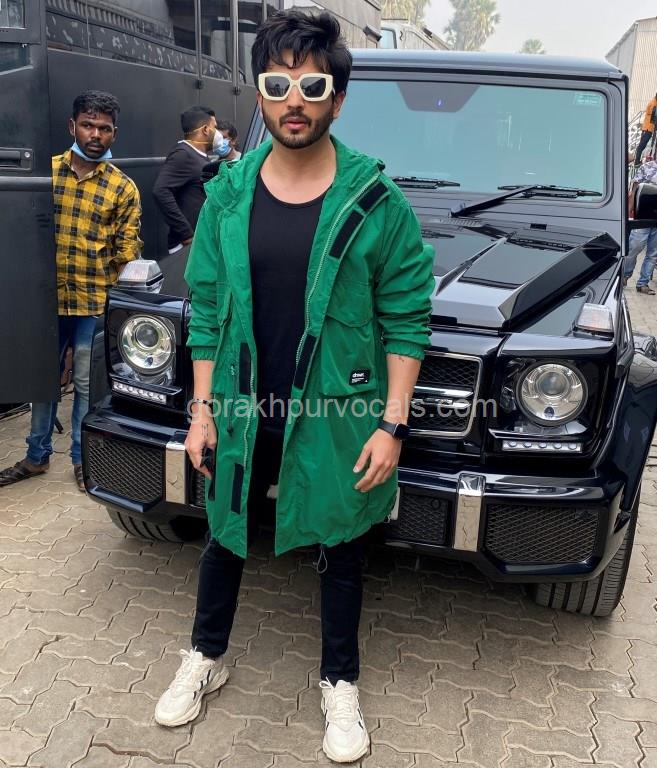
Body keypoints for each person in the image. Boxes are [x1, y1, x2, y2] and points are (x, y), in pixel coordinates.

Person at [154, 9, 434, 764]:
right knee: (225, 533)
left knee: (341, 545)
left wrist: (392, 424)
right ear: (260, 94)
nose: (294, 101)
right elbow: (206, 305)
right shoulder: (228, 194)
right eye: (278, 85)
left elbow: (406, 319)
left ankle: (339, 681)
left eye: (312, 86)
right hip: (242, 407)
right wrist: (202, 411)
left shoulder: (376, 202)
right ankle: (205, 655)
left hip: (336, 412)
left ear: (337, 98)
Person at [0, 90, 142, 491]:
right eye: (88, 125)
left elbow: (126, 252)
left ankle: (83, 460)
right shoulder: (44, 175)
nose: (95, 134)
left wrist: (118, 302)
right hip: (43, 302)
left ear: (114, 134)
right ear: (72, 126)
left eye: (104, 128)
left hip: (92, 303)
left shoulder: (122, 188)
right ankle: (36, 456)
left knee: (84, 384)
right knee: (42, 382)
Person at [153, 106, 230, 253]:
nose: (218, 133)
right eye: (215, 127)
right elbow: (160, 191)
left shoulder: (198, 155)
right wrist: (186, 234)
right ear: (205, 130)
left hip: (201, 243)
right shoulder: (183, 154)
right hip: (186, 248)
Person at [624, 158, 657, 294]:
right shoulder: (646, 167)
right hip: (642, 214)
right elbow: (634, 189)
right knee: (635, 247)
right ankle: (624, 275)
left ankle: (643, 284)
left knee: (653, 253)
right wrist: (629, 212)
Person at [634, 93, 657, 166]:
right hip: (648, 128)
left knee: (643, 145)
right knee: (642, 145)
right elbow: (654, 118)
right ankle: (637, 161)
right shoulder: (654, 104)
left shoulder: (654, 102)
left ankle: (637, 161)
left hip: (649, 128)